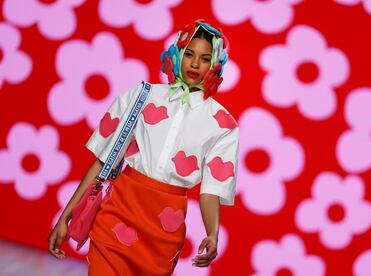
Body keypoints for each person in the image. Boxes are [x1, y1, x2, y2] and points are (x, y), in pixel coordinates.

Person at [48, 19, 239, 275]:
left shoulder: (223, 124)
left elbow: (211, 190)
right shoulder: (142, 95)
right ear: (177, 53)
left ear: (215, 65)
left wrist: (212, 234)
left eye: (205, 59)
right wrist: (65, 217)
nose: (195, 64)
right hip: (117, 214)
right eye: (189, 53)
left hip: (162, 233)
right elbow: (104, 162)